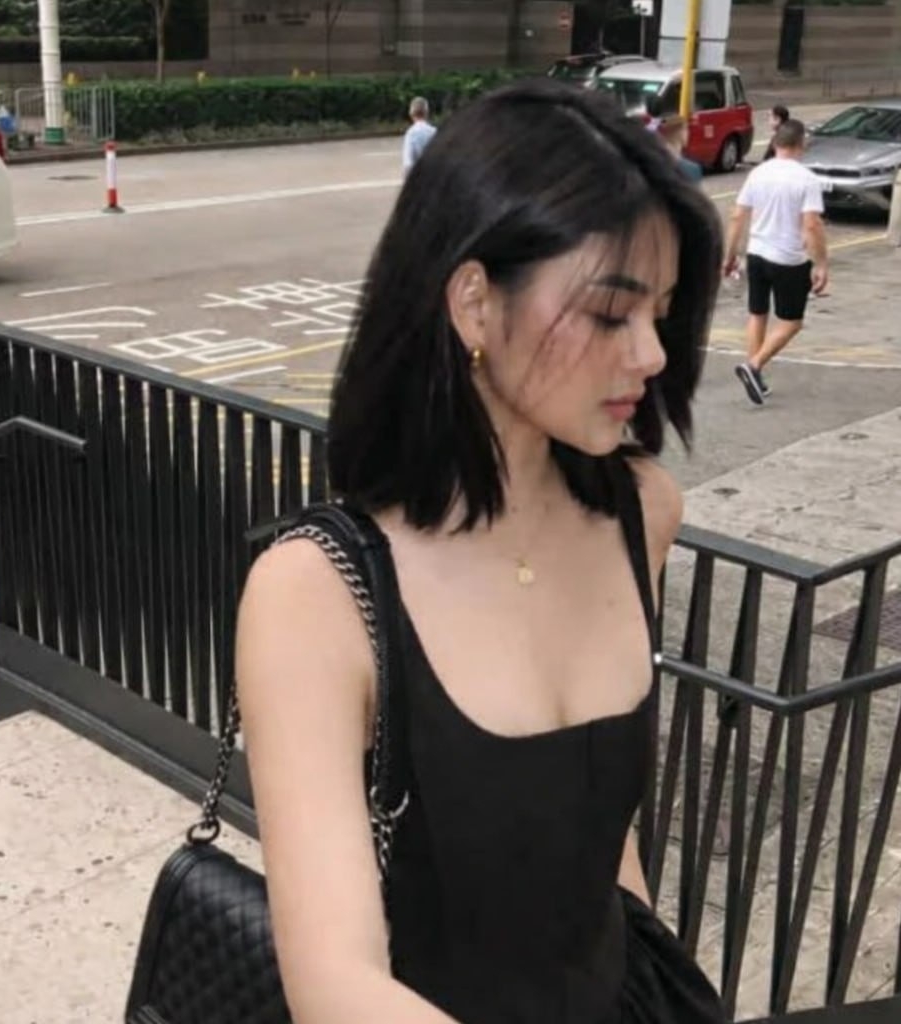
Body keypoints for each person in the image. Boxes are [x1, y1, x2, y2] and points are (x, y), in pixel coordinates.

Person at [236, 80, 726, 1024]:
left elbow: (602, 836)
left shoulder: (644, 512)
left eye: (661, 313)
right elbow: (335, 984)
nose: (653, 355)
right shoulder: (315, 593)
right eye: (611, 314)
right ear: (473, 303)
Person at [723, 118, 829, 405]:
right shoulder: (806, 179)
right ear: (801, 143)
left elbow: (737, 216)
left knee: (757, 314)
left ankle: (755, 377)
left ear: (775, 142)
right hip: (788, 259)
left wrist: (730, 255)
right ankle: (754, 366)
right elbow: (812, 225)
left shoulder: (758, 173)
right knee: (792, 322)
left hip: (757, 254)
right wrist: (821, 264)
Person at [657, 115, 703, 182]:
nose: (688, 133)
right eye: (687, 128)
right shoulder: (692, 168)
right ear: (681, 132)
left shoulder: (653, 163)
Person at [402, 96, 437, 175]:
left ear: (411, 113)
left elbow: (408, 163)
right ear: (427, 113)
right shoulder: (434, 131)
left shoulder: (411, 134)